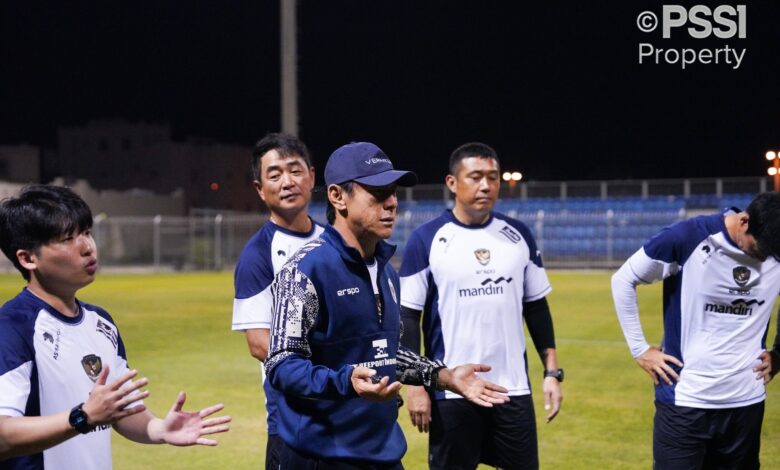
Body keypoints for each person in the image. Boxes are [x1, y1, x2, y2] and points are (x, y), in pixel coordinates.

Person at [265, 141, 510, 468]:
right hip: (320, 455)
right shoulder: (304, 271)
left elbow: (384, 354)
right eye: (378, 193)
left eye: (393, 192)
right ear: (338, 197)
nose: (392, 202)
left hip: (383, 452)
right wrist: (345, 381)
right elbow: (281, 364)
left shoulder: (387, 272)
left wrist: (441, 375)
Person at [0, 184, 231, 470]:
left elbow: (120, 411)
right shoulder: (12, 327)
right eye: (67, 238)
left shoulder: (102, 323)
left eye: (86, 232)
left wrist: (159, 429)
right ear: (27, 258)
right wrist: (82, 416)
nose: (87, 247)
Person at [398, 142, 563, 470]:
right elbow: (408, 316)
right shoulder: (426, 239)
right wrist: (416, 386)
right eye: (475, 177)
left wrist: (552, 373)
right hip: (452, 389)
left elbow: (537, 308)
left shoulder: (519, 235)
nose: (486, 185)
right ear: (452, 183)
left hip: (511, 387)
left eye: (492, 177)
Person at [611, 191, 780, 469]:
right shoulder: (688, 236)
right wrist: (640, 350)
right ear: (745, 221)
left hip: (745, 403)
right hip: (684, 400)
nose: (764, 258)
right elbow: (623, 280)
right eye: (760, 249)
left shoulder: (775, 250)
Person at [231, 132, 323, 468]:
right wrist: (328, 377)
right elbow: (259, 343)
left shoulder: (335, 240)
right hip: (292, 418)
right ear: (260, 189)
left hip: (346, 410)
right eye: (274, 174)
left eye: (295, 170)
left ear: (312, 176)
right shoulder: (257, 254)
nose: (287, 181)